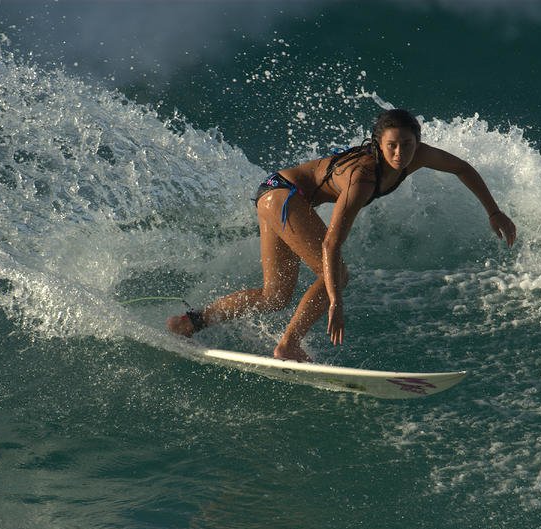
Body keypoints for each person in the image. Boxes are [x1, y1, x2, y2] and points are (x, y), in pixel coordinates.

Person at [167, 108, 517, 362]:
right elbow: (332, 244)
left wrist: (493, 210)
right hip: (283, 195)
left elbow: (461, 167)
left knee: (275, 296)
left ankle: (191, 323)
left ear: (417, 142)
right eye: (392, 146)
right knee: (336, 273)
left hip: (277, 192)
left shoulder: (418, 156)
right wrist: (335, 300)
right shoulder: (362, 179)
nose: (400, 153)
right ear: (378, 144)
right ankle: (288, 344)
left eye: (407, 145)